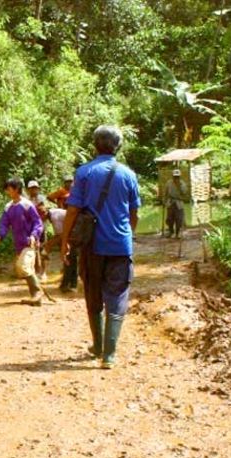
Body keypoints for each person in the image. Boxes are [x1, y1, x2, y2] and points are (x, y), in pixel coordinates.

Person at [62, 126, 141, 369]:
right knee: (117, 295)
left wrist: (65, 240)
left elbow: (73, 209)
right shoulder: (128, 175)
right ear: (118, 147)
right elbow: (134, 213)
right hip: (120, 245)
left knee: (93, 291)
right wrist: (128, 235)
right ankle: (109, 355)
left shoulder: (84, 172)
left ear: (94, 145)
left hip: (92, 245)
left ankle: (97, 346)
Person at [0, 177, 44, 306]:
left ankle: (37, 292)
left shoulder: (27, 205)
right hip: (18, 244)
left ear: (16, 189)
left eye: (9, 189)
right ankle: (36, 298)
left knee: (24, 267)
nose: (7, 191)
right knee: (22, 269)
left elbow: (38, 222)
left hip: (29, 243)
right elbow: (4, 223)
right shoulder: (8, 207)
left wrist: (33, 236)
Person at [37, 203, 78, 293]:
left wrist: (48, 246)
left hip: (75, 233)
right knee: (72, 259)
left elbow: (61, 235)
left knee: (68, 258)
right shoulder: (53, 214)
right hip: (73, 233)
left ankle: (67, 285)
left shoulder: (55, 217)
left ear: (44, 214)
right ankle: (72, 284)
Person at [164, 169, 188, 238]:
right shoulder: (169, 183)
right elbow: (166, 193)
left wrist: (179, 186)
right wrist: (164, 201)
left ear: (179, 176)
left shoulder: (182, 184)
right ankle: (171, 232)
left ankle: (178, 233)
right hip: (170, 203)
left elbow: (184, 193)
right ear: (172, 176)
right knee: (169, 219)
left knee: (179, 219)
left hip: (179, 203)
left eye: (177, 176)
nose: (176, 178)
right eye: (175, 176)